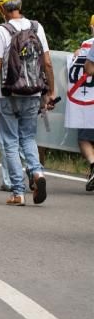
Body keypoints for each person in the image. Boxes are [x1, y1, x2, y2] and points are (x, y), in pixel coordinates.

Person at [0, 0, 56, 206]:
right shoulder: (36, 27)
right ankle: (38, 174)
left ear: (3, 9)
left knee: (10, 142)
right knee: (28, 138)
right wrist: (50, 91)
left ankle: (17, 192)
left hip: (8, 93)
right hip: (33, 92)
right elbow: (48, 62)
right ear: (20, 6)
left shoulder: (2, 31)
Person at [67, 15, 94, 191]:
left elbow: (88, 69)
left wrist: (78, 54)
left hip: (90, 101)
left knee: (84, 138)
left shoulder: (87, 44)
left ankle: (93, 164)